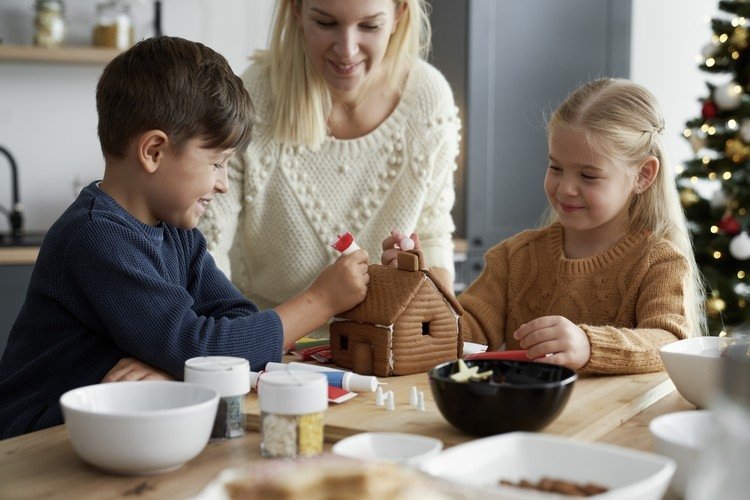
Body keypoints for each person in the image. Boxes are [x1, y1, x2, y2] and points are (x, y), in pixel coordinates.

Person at [0, 36, 368, 439]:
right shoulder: (95, 238)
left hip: (114, 428)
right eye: (216, 163)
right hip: (35, 439)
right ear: (154, 151)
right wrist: (322, 300)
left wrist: (177, 366)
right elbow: (199, 345)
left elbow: (235, 321)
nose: (224, 184)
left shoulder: (177, 233)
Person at [396, 78, 706, 375]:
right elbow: (458, 337)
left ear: (643, 175)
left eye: (588, 176)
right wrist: (416, 287)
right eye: (556, 167)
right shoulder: (513, 257)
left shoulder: (660, 262)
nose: (565, 188)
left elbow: (670, 342)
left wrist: (589, 346)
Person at [198, 0, 460, 337]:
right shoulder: (255, 98)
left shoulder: (428, 98)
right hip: (268, 344)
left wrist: (425, 290)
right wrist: (210, 344)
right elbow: (206, 249)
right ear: (296, 10)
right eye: (325, 23)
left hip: (381, 347)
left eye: (369, 26)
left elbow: (435, 233)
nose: (347, 50)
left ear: (399, 14)